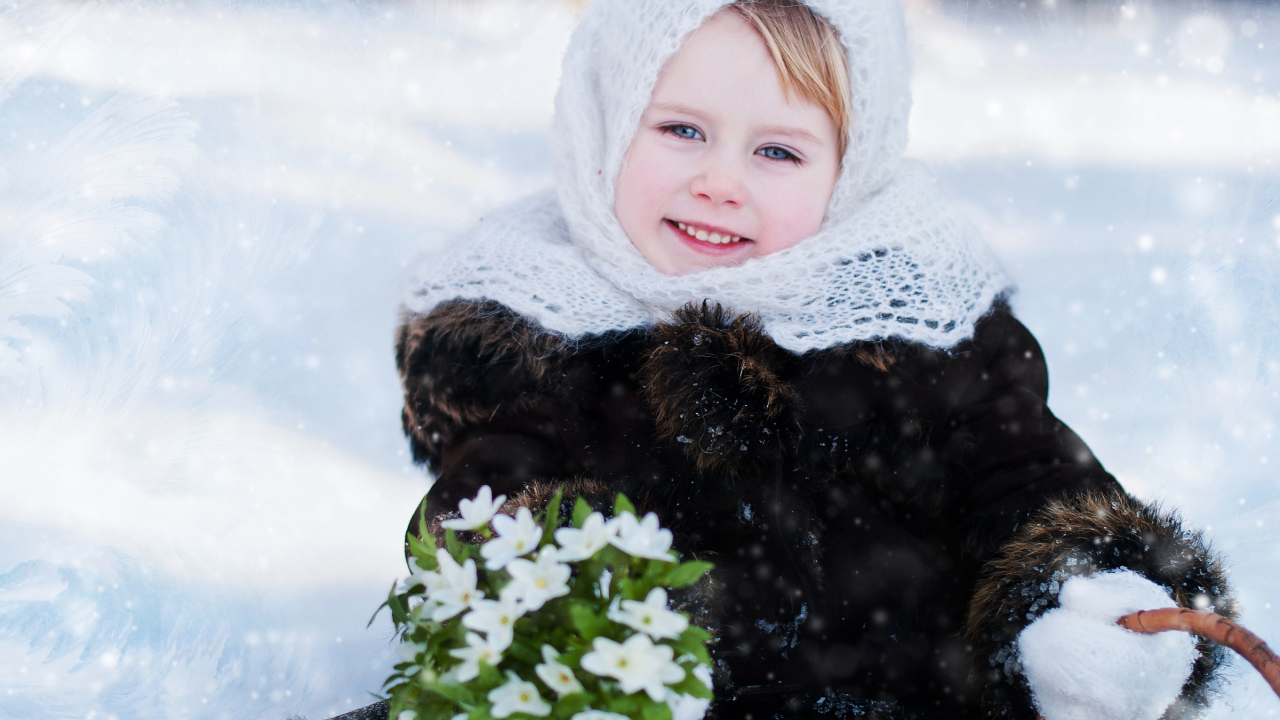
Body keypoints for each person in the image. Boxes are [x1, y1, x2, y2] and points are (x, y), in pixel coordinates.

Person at [394, 1, 1233, 718]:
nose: (720, 181)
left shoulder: (918, 321)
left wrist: (1088, 598)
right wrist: (557, 579)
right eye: (682, 130)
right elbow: (481, 499)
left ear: (850, 168)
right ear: (605, 128)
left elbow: (1026, 478)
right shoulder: (537, 329)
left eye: (778, 152)